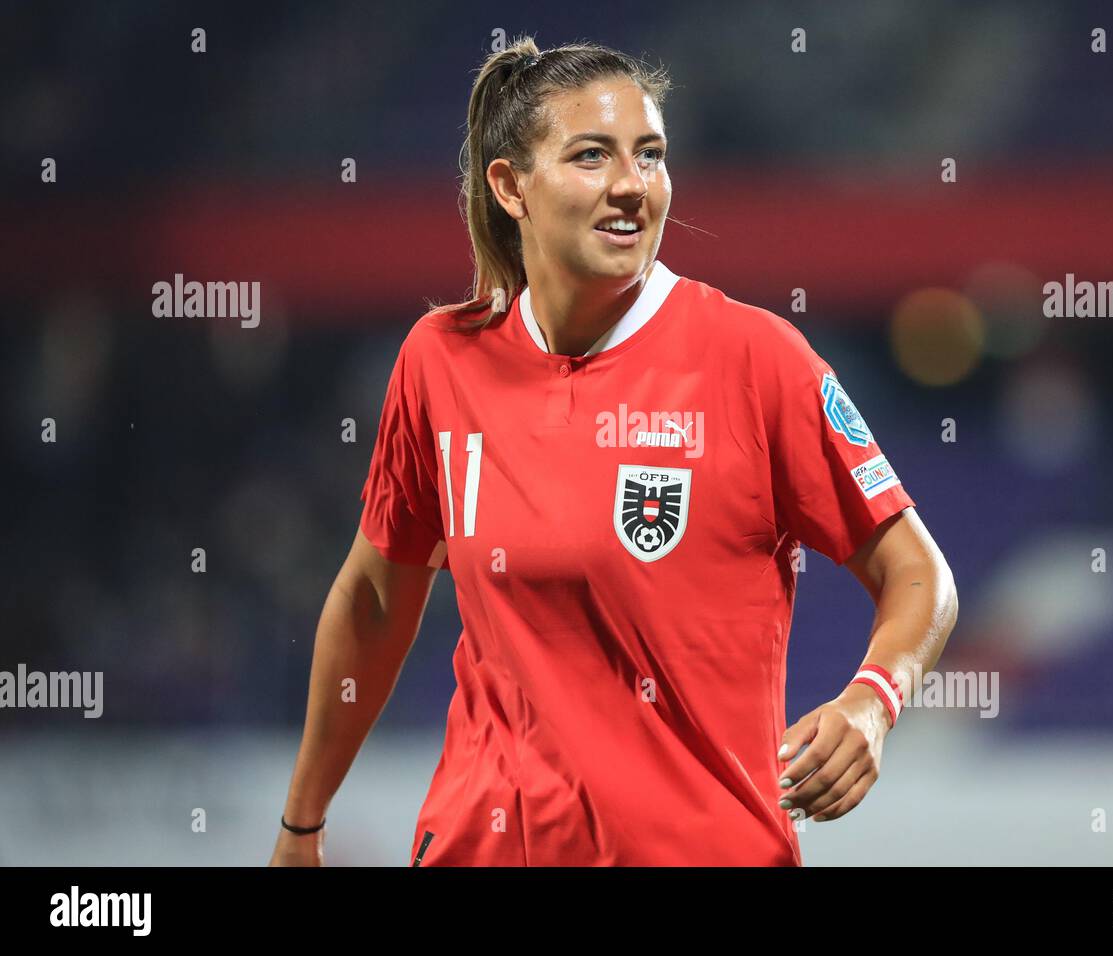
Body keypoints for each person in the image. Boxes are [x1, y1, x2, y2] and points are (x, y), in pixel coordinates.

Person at [270, 36, 957, 867]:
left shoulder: (755, 360)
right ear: (510, 186)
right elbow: (376, 597)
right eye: (592, 156)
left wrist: (871, 701)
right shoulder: (439, 360)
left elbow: (920, 574)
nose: (633, 184)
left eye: (651, 155)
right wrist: (302, 824)